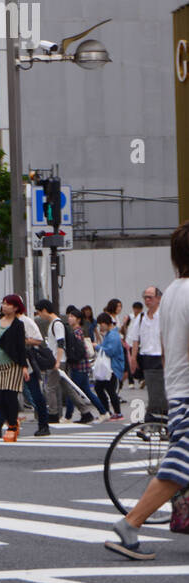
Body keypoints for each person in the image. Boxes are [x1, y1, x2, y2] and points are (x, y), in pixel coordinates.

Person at [105, 221, 189, 560]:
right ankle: (131, 523)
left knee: (182, 460)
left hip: (179, 387)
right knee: (180, 464)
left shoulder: (172, 293)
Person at [0, 295, 33, 438]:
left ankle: (11, 426)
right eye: (3, 303)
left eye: (8, 304)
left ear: (15, 307)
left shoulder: (18, 325)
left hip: (13, 365)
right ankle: (5, 424)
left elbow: (21, 347)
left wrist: (24, 366)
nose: (4, 306)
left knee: (9, 396)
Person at [129, 286, 165, 418]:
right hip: (147, 358)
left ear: (159, 299)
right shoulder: (141, 317)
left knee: (160, 393)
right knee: (153, 391)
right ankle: (154, 420)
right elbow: (134, 339)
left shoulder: (163, 316)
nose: (147, 300)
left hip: (162, 358)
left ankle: (153, 420)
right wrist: (133, 358)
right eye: (145, 297)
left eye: (150, 297)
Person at [95, 312, 124, 420]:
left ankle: (117, 412)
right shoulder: (110, 334)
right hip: (108, 367)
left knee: (110, 389)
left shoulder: (113, 335)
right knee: (101, 388)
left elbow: (110, 351)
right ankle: (107, 411)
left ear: (106, 323)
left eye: (101, 324)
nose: (100, 327)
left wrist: (97, 347)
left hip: (113, 367)